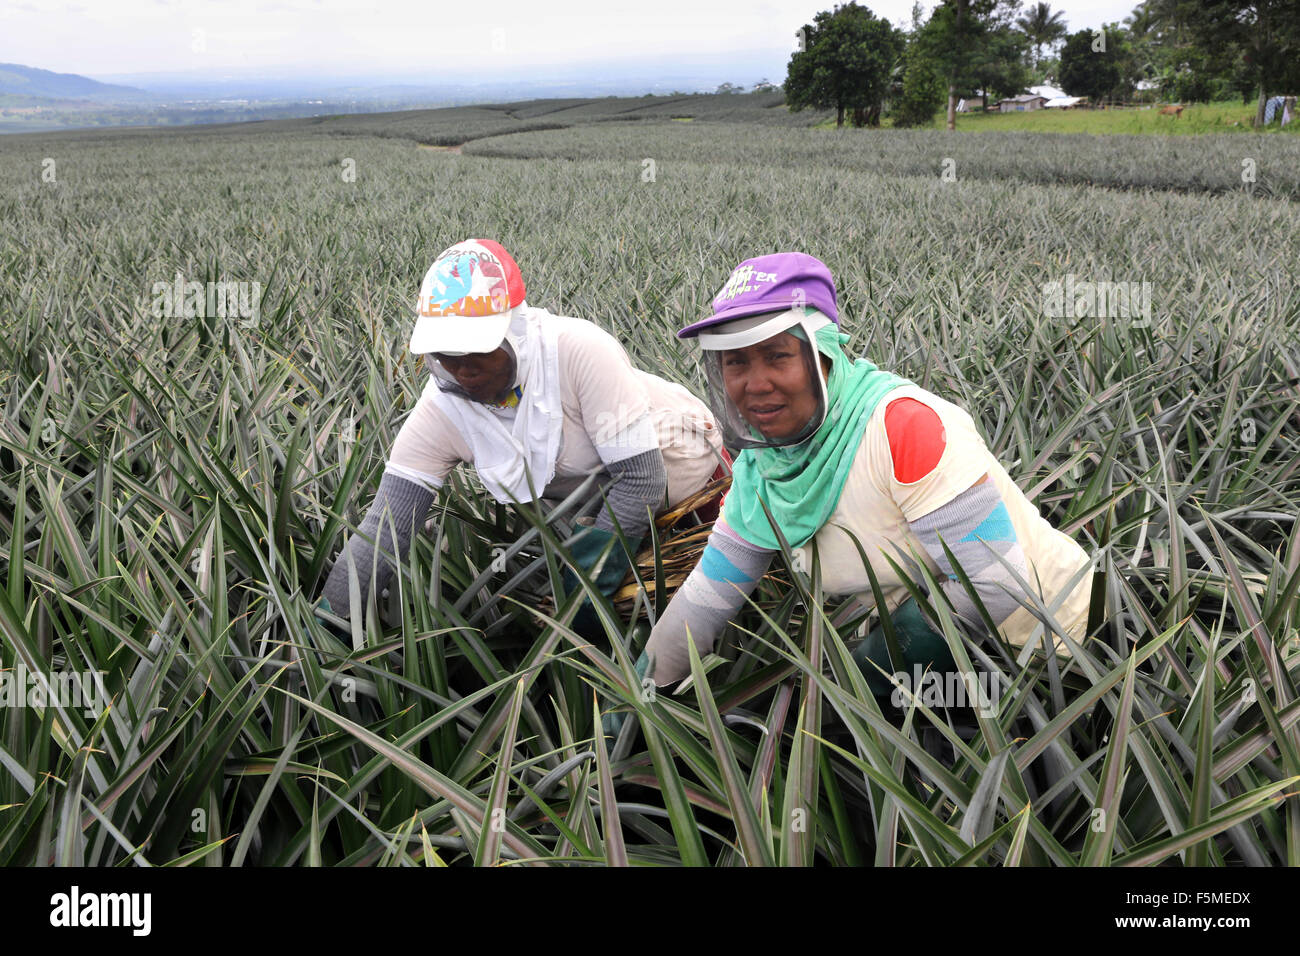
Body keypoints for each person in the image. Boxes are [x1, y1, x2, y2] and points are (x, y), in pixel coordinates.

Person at [643, 252, 1094, 700]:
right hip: (930, 657)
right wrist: (643, 690)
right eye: (736, 362)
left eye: (777, 356)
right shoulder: (761, 470)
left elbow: (998, 583)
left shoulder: (903, 428)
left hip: (1049, 647)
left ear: (825, 355)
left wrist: (870, 671)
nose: (755, 384)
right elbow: (707, 600)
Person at [317, 238, 726, 636]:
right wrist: (324, 628)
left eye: (476, 352)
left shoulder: (578, 352)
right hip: (596, 505)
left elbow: (641, 480)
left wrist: (583, 593)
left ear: (515, 332)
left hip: (687, 480)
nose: (462, 371)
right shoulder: (441, 409)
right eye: (446, 355)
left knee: (707, 616)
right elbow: (386, 528)